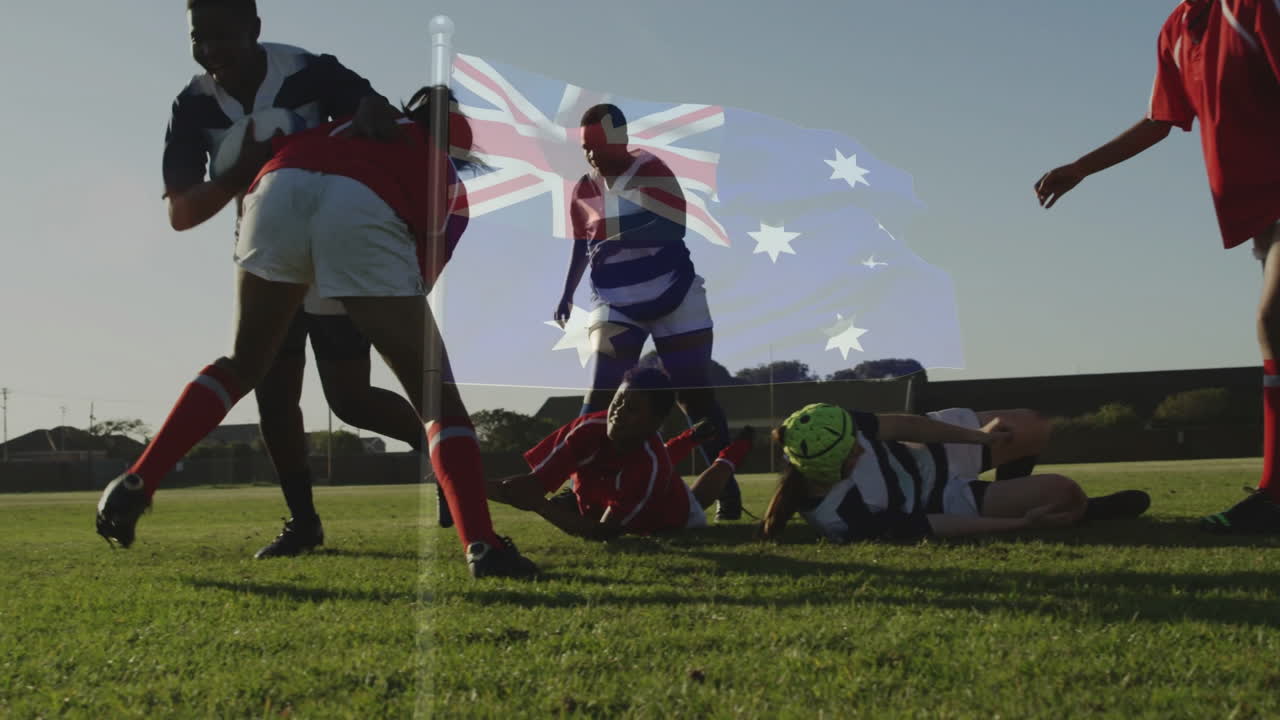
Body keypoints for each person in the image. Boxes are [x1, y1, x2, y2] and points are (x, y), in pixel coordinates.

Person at [98, 84, 538, 578]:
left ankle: (140, 477)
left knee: (243, 363)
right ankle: (482, 545)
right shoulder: (443, 171)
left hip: (276, 188)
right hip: (361, 209)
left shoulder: (342, 124)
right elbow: (421, 271)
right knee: (436, 397)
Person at [162, 0, 451, 559]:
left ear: (255, 30)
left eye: (223, 35)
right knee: (272, 394)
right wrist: (237, 177)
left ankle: (442, 460)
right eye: (200, 37)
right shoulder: (192, 104)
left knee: (351, 399)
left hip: (337, 255)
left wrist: (368, 124)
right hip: (267, 256)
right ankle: (302, 523)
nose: (211, 49)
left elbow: (379, 118)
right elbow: (181, 213)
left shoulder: (311, 72)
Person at [1034, 0, 1280, 533]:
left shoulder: (1254, 7)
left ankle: (1274, 496)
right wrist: (1082, 167)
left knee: (1273, 324)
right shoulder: (1176, 27)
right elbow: (1161, 119)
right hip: (1258, 212)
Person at [552, 103, 744, 521]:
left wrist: (612, 230)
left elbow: (673, 226)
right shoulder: (583, 188)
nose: (592, 155)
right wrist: (567, 293)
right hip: (614, 298)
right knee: (600, 397)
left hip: (674, 291)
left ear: (621, 138)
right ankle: (578, 490)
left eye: (599, 145)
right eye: (585, 148)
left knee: (695, 398)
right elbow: (581, 242)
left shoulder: (652, 170)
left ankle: (727, 492)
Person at [760, 404, 1150, 543]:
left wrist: (978, 439)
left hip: (931, 454)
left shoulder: (826, 425)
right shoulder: (845, 519)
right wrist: (1022, 523)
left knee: (1033, 426)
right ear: (833, 467)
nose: (862, 447)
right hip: (940, 499)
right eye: (854, 450)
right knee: (1066, 493)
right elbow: (933, 525)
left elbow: (909, 427)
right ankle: (1071, 510)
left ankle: (1015, 492)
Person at [487, 367, 753, 540]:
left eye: (632, 409)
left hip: (672, 518)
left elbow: (605, 533)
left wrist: (540, 505)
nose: (617, 413)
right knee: (654, 456)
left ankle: (738, 447)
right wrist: (463, 487)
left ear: (654, 422)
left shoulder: (651, 464)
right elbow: (532, 485)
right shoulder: (588, 428)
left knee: (695, 499)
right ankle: (693, 436)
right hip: (601, 495)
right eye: (617, 402)